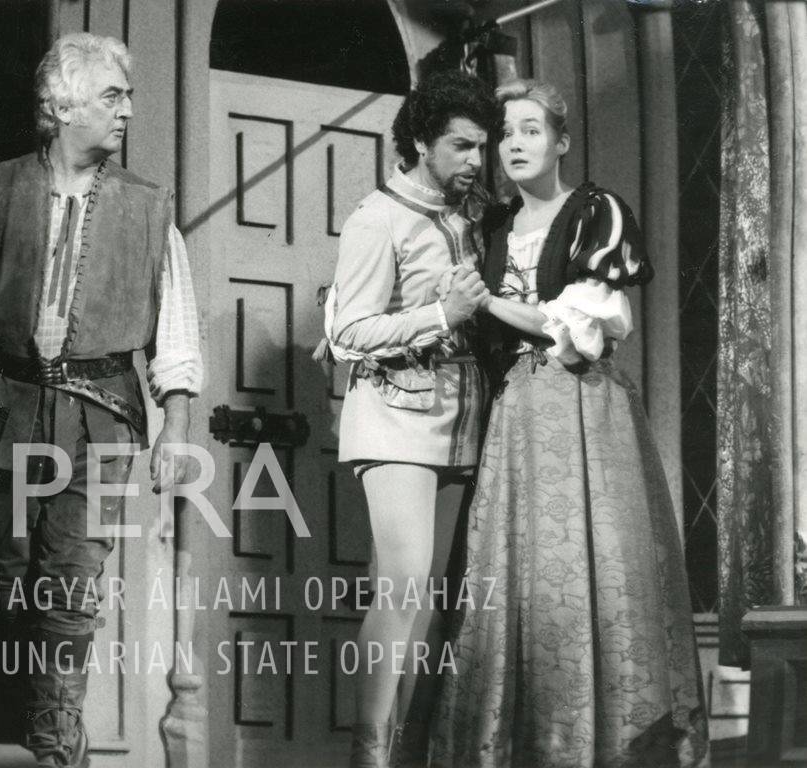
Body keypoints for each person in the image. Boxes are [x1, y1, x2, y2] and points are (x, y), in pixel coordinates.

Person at [0, 33, 202, 767]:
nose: (128, 111)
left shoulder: (147, 209)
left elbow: (175, 333)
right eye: (112, 97)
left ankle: (52, 747)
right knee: (3, 577)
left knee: (72, 584)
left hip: (101, 418)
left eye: (128, 96)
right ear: (63, 105)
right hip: (4, 411)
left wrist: (176, 427)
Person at [430, 79, 709, 767]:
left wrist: (485, 303)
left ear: (560, 141)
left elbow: (579, 328)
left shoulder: (594, 212)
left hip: (584, 408)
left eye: (531, 130)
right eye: (504, 133)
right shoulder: (490, 227)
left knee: (596, 567)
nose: (514, 144)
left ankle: (602, 742)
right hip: (513, 416)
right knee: (520, 575)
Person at [323, 70, 496, 768]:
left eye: (481, 146)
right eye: (461, 146)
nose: (475, 160)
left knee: (435, 601)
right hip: (395, 418)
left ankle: (412, 751)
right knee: (401, 587)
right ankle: (367, 754)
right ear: (422, 141)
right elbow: (347, 332)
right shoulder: (377, 218)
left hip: (462, 421)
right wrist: (440, 315)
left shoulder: (472, 215)